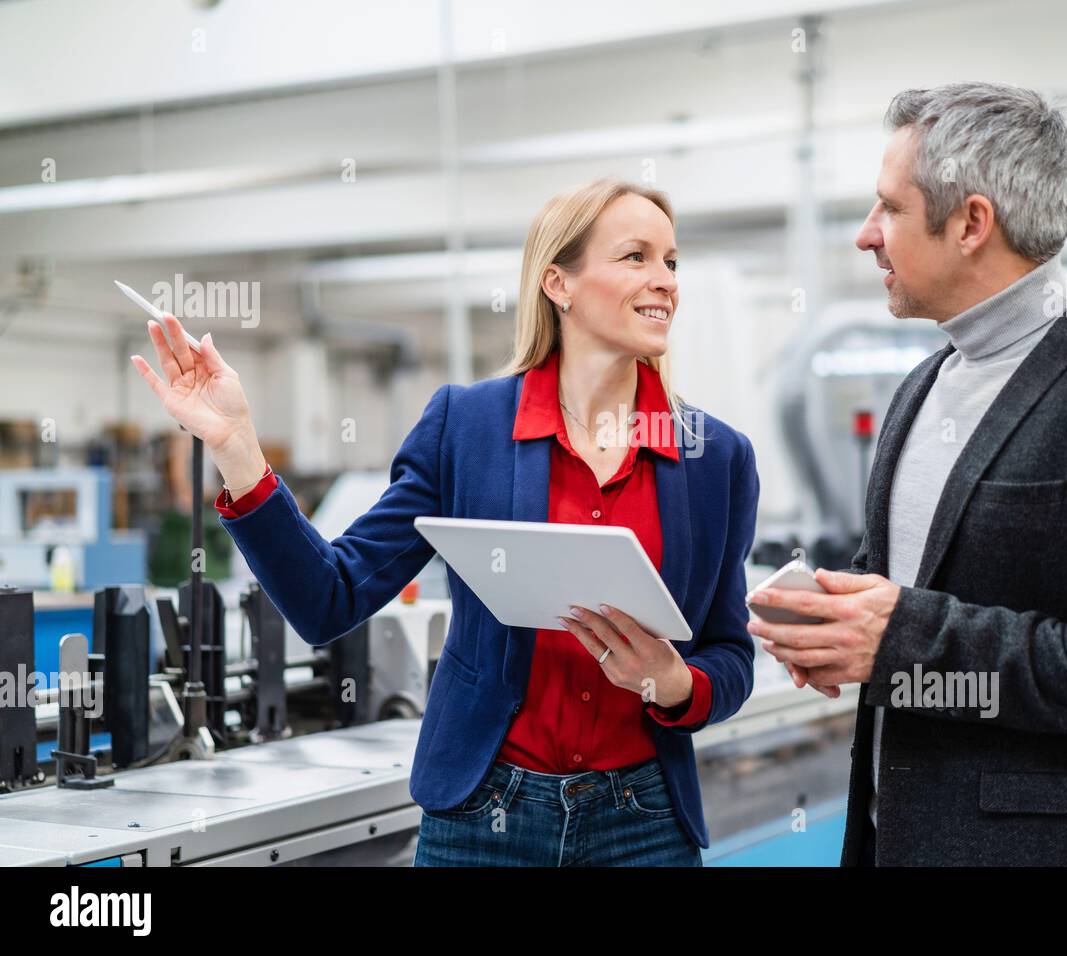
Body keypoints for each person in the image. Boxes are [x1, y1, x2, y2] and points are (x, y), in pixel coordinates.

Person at [130, 177, 759, 867]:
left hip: (642, 825)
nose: (664, 280)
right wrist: (237, 449)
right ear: (560, 283)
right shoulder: (469, 427)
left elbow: (728, 653)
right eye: (636, 257)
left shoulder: (714, 457)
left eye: (672, 261)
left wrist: (676, 687)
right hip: (483, 816)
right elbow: (329, 596)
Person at [747, 82, 1067, 865]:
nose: (865, 236)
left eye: (889, 209)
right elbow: (921, 578)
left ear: (971, 224)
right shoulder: (925, 384)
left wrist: (905, 638)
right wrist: (831, 621)